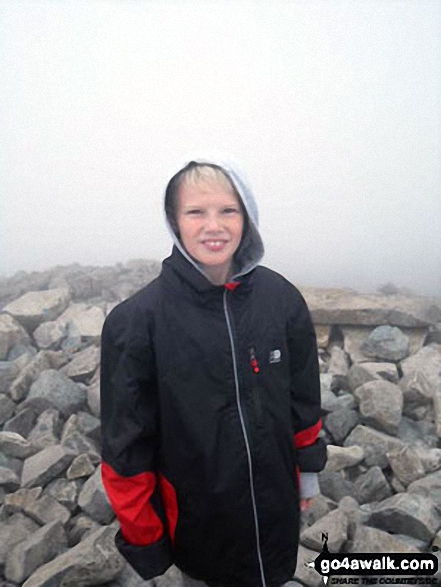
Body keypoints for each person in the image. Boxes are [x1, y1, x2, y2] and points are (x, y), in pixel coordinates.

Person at [100, 157, 327, 587]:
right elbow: (125, 447)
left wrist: (307, 475)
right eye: (196, 212)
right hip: (200, 526)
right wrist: (146, 538)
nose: (214, 226)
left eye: (228, 210)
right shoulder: (137, 322)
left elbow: (303, 399)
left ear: (247, 216)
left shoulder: (280, 299)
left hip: (276, 512)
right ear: (174, 221)